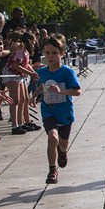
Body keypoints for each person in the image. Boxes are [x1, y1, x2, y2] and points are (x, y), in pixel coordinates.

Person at [36, 35, 82, 185]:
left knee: (62, 143)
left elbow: (77, 91)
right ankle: (52, 170)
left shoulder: (67, 72)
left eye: (54, 53)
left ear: (62, 53)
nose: (50, 56)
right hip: (49, 111)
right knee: (52, 138)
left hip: (65, 113)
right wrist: (34, 96)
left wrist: (60, 91)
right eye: (47, 53)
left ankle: (62, 152)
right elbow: (43, 84)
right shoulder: (43, 72)